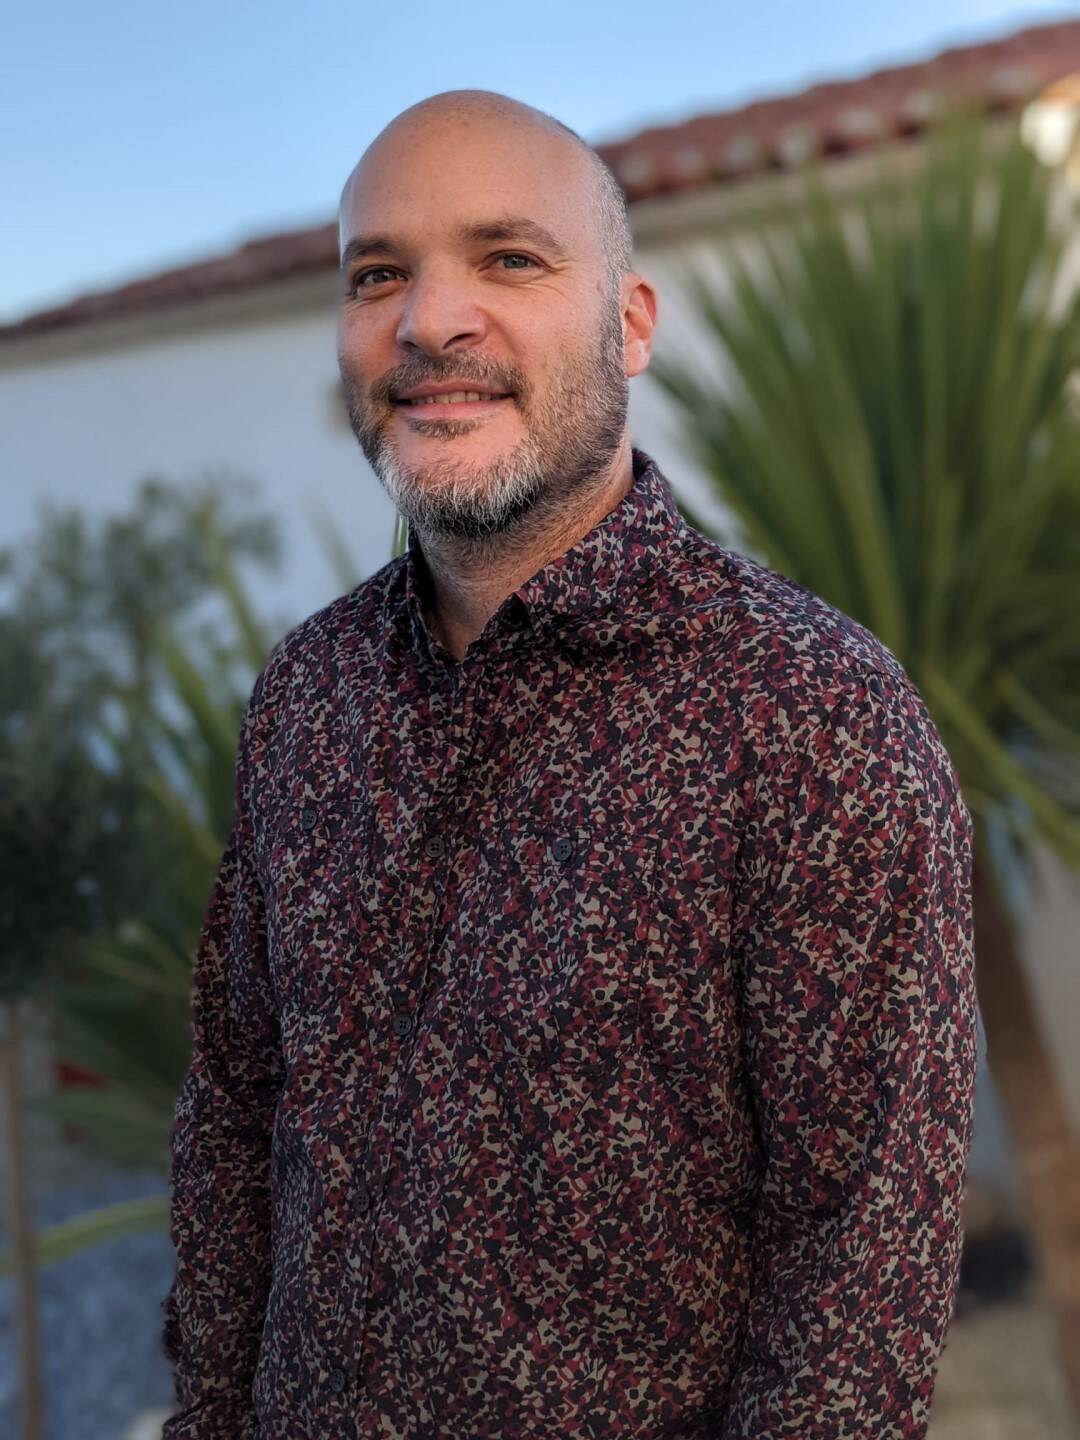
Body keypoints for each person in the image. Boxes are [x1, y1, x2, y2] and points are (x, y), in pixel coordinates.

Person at [160, 89, 979, 1439]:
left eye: (510, 257)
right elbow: (237, 1118)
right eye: (377, 275)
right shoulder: (307, 696)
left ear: (630, 323)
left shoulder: (811, 715)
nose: (430, 322)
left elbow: (855, 1271)